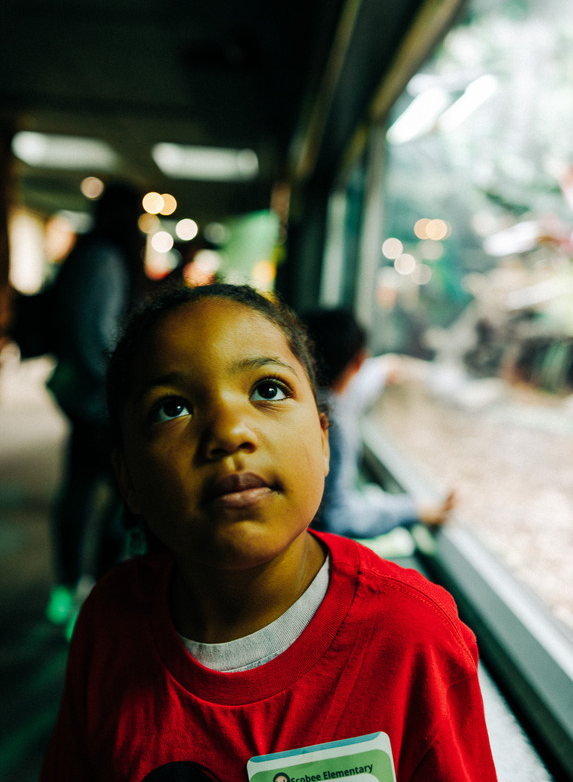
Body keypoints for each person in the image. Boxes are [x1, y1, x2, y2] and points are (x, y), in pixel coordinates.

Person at [41, 284, 497, 781]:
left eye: (268, 390)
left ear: (324, 439)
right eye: (172, 408)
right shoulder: (108, 623)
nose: (230, 431)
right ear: (128, 477)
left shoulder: (415, 638)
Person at [45, 179, 146, 633]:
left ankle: (74, 588)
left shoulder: (90, 253)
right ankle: (88, 591)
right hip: (97, 402)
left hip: (87, 399)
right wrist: (125, 384)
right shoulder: (105, 258)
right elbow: (95, 336)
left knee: (87, 494)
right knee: (123, 496)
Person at [302, 308, 454, 540]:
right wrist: (413, 509)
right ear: (360, 360)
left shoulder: (305, 401)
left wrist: (390, 369)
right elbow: (337, 518)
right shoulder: (332, 427)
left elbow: (363, 382)